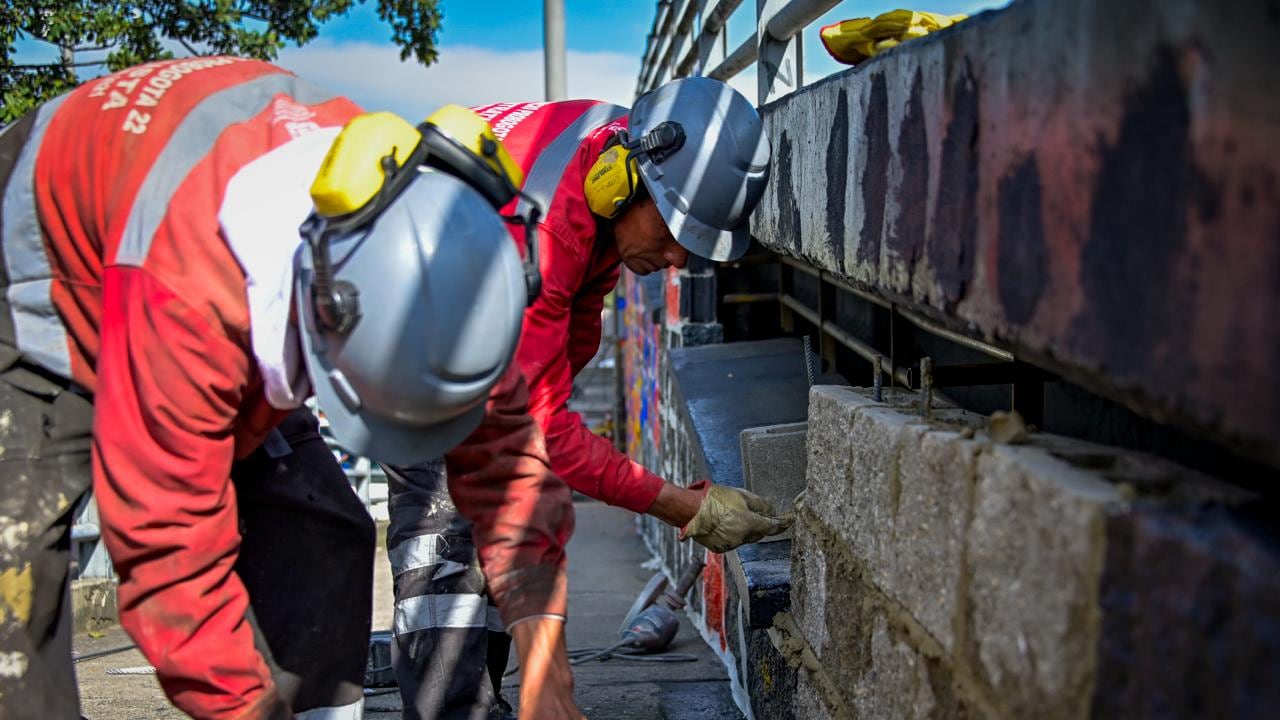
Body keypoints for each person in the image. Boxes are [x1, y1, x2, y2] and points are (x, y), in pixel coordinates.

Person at [0, 57, 584, 720]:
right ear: (325, 313)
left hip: (203, 266)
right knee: (13, 595)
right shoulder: (191, 300)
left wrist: (546, 670)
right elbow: (170, 559)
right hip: (38, 285)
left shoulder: (435, 253)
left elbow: (507, 465)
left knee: (323, 534)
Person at [384, 77, 787, 719]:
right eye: (677, 230)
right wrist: (683, 506)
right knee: (449, 550)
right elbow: (540, 429)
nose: (680, 256)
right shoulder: (537, 238)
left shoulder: (614, 153)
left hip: (464, 315)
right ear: (631, 184)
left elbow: (564, 350)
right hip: (405, 339)